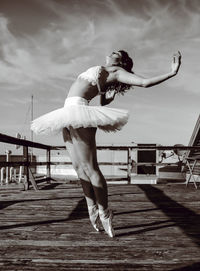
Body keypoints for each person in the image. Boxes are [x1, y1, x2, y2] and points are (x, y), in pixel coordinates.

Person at [31, 50, 181, 237]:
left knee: (91, 168)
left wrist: (172, 72)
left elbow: (145, 82)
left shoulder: (117, 71)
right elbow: (102, 101)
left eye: (117, 52)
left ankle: (105, 212)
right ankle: (91, 209)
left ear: (121, 61)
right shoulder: (105, 71)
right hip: (67, 112)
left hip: (79, 112)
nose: (112, 52)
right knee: (79, 169)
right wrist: (107, 95)